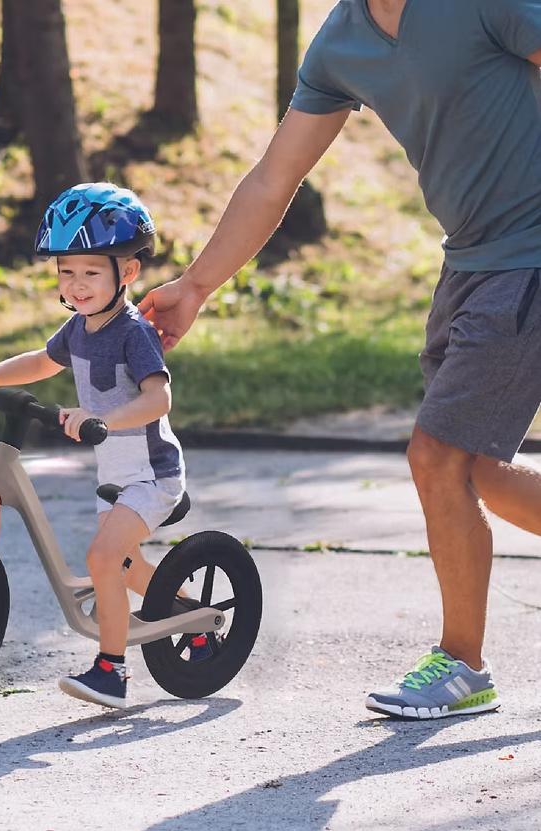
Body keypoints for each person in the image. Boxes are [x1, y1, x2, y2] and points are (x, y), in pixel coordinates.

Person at [138, 0, 541, 720]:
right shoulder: (341, 39)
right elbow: (273, 179)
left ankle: (462, 664)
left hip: (529, 259)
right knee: (472, 467)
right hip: (470, 264)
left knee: (437, 455)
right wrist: (196, 284)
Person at [0, 182, 201, 709]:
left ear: (126, 273)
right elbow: (43, 362)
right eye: (67, 271)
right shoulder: (80, 328)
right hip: (114, 470)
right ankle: (189, 619)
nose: (77, 283)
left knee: (102, 559)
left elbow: (160, 400)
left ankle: (112, 672)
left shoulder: (135, 333)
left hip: (152, 472)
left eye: (91, 271)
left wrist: (102, 417)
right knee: (125, 566)